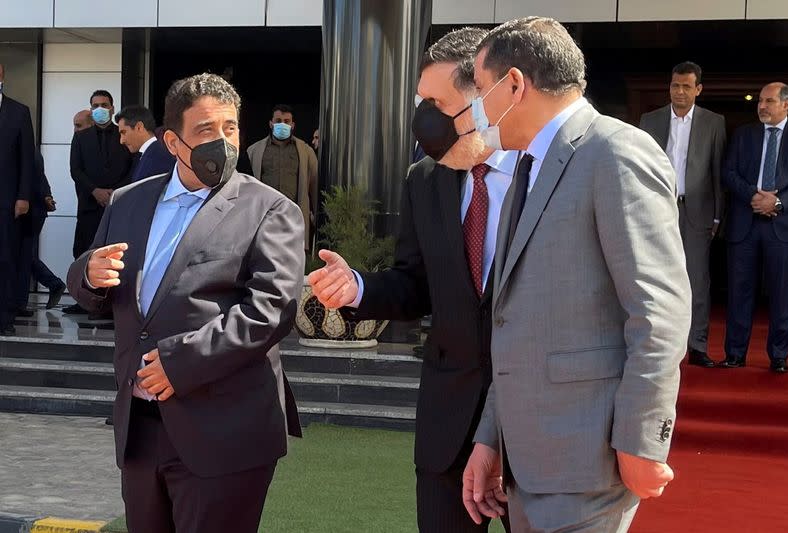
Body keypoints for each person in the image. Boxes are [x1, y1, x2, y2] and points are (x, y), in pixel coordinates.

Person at [459, 17, 691, 532]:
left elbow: (660, 311)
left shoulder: (615, 152)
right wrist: (492, 437)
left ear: (514, 84)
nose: (476, 106)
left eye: (479, 88)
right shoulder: (525, 166)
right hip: (526, 463)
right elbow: (514, 320)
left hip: (589, 459)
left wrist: (640, 439)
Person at [66, 73, 304, 533]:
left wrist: (178, 362)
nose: (223, 142)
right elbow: (93, 288)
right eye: (206, 131)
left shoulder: (270, 209)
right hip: (141, 430)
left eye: (230, 128)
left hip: (225, 430)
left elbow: (270, 310)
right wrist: (89, 275)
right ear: (172, 141)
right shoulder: (127, 202)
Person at [308, 28, 511, 533]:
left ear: (488, 96)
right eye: (422, 103)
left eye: (438, 104)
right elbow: (415, 283)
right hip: (449, 417)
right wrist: (358, 288)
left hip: (533, 418)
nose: (426, 121)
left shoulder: (548, 171)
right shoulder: (424, 178)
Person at [639, 61, 726, 368]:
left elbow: (717, 171)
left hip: (697, 211)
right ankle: (657, 345)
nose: (679, 91)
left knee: (697, 280)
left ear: (698, 89)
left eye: (686, 86)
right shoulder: (649, 121)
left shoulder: (714, 123)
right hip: (656, 209)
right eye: (675, 85)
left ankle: (697, 345)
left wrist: (718, 216)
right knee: (653, 278)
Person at [721, 82, 788, 374]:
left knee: (782, 293)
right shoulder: (743, 135)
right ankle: (735, 353)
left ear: (786, 104)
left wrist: (777, 202)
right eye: (761, 101)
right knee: (739, 292)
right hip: (745, 225)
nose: (762, 106)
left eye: (769, 101)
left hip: (784, 227)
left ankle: (778, 356)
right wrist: (753, 196)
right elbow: (728, 172)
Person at [64, 90, 132, 315]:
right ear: (91, 109)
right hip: (90, 205)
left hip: (117, 205)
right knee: (84, 250)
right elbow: (76, 170)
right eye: (95, 106)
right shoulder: (81, 138)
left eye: (104, 104)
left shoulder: (123, 134)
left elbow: (133, 167)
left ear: (112, 108)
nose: (100, 109)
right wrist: (95, 191)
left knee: (115, 256)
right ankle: (83, 301)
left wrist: (115, 193)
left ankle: (113, 304)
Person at [246, 104, 318, 249]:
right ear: (271, 124)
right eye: (278, 121)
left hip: (293, 218)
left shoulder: (305, 152)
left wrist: (316, 217)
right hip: (264, 218)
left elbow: (314, 186)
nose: (282, 124)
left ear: (293, 125)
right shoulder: (254, 151)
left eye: (286, 121)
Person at [0, 63, 35, 335]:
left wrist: (23, 196)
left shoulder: (18, 112)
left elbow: (27, 159)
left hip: (7, 200)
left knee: (6, 258)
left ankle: (5, 317)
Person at [16, 150, 66, 316]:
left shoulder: (20, 149)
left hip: (28, 211)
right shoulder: (31, 150)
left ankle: (19, 303)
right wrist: (47, 196)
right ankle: (52, 284)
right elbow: (40, 178)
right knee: (24, 255)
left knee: (22, 256)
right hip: (34, 209)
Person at [116, 105, 176, 182]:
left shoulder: (159, 157)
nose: (122, 141)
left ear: (139, 127)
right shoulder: (145, 155)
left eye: (124, 132)